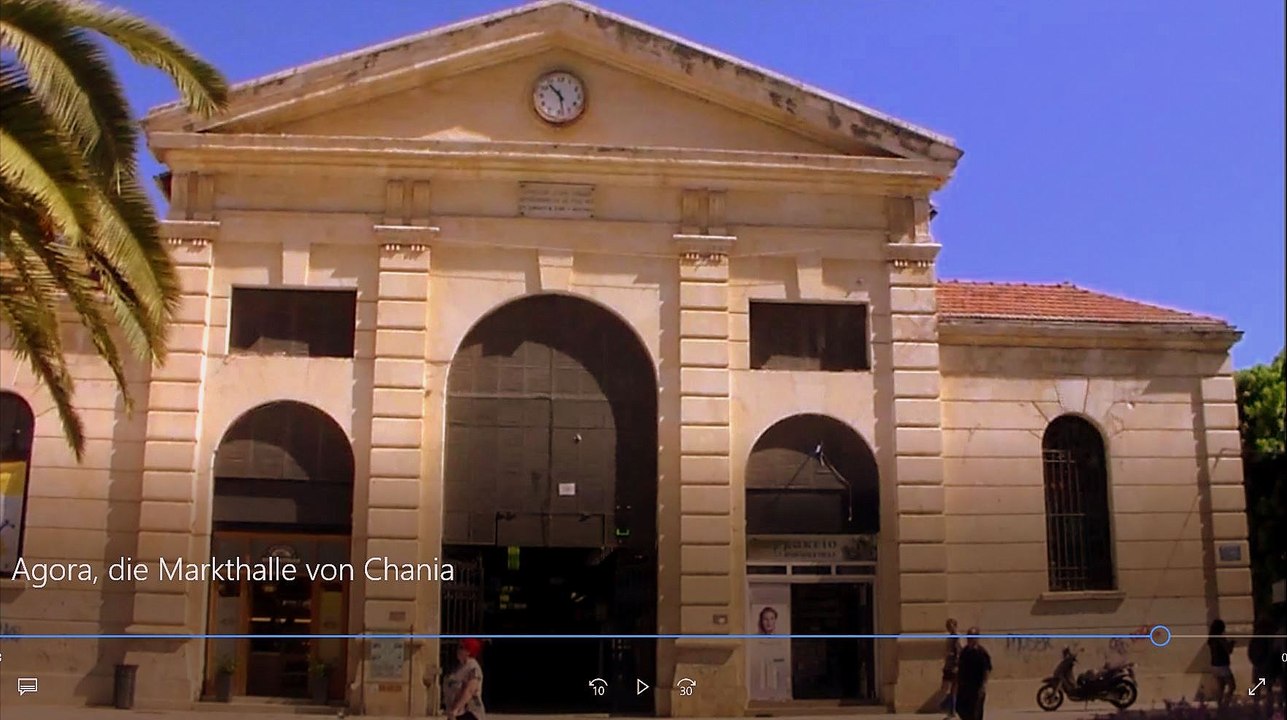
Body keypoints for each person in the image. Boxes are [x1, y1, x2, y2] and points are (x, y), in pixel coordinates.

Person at [956, 627, 991, 720]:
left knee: (975, 713)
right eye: (968, 637)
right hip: (964, 687)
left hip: (976, 687)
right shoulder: (965, 652)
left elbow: (986, 670)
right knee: (960, 708)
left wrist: (983, 686)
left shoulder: (981, 653)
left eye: (972, 637)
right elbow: (960, 668)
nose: (969, 639)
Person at [445, 638, 484, 720]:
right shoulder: (459, 667)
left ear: (469, 651)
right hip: (456, 713)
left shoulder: (473, 668)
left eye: (461, 647)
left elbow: (470, 690)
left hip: (468, 713)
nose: (458, 650)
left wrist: (456, 709)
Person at [1247, 616, 1280, 714]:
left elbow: (1250, 652)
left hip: (1257, 665)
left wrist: (1255, 662)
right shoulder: (1270, 636)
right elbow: (1273, 651)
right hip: (1267, 666)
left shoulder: (1256, 636)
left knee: (1258, 686)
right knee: (1268, 688)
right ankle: (1269, 710)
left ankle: (1256, 707)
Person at [1207, 619, 1235, 708]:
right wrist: (1232, 644)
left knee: (1221, 687)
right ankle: (1225, 704)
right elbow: (1228, 650)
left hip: (1214, 665)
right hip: (1223, 665)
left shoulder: (1211, 639)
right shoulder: (1220, 638)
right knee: (1232, 686)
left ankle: (1220, 706)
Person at [938, 618, 961, 719]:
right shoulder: (951, 637)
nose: (949, 628)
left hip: (954, 666)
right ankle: (949, 708)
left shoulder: (956, 637)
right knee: (947, 688)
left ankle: (950, 709)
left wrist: (956, 665)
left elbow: (958, 652)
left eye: (951, 625)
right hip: (949, 665)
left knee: (952, 689)